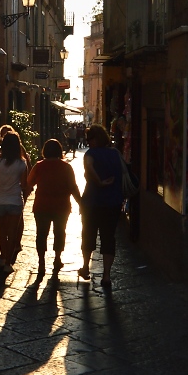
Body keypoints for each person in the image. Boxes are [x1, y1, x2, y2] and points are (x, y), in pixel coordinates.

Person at [78, 123, 128, 288]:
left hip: (92, 202)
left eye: (90, 138)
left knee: (88, 234)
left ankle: (85, 267)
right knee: (108, 237)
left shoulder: (91, 154)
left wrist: (99, 182)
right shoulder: (115, 154)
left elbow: (89, 167)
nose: (88, 142)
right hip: (113, 202)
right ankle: (106, 275)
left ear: (96, 139)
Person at [27, 139, 81, 278]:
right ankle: (57, 259)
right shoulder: (66, 167)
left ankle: (41, 263)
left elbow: (29, 182)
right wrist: (81, 203)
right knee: (59, 232)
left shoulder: (39, 166)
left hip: (42, 205)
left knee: (41, 234)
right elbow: (73, 186)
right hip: (61, 206)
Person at [0, 131, 28, 274]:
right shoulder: (22, 163)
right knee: (12, 233)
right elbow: (24, 184)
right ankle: (8, 263)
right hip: (15, 201)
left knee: (2, 231)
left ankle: (3, 257)